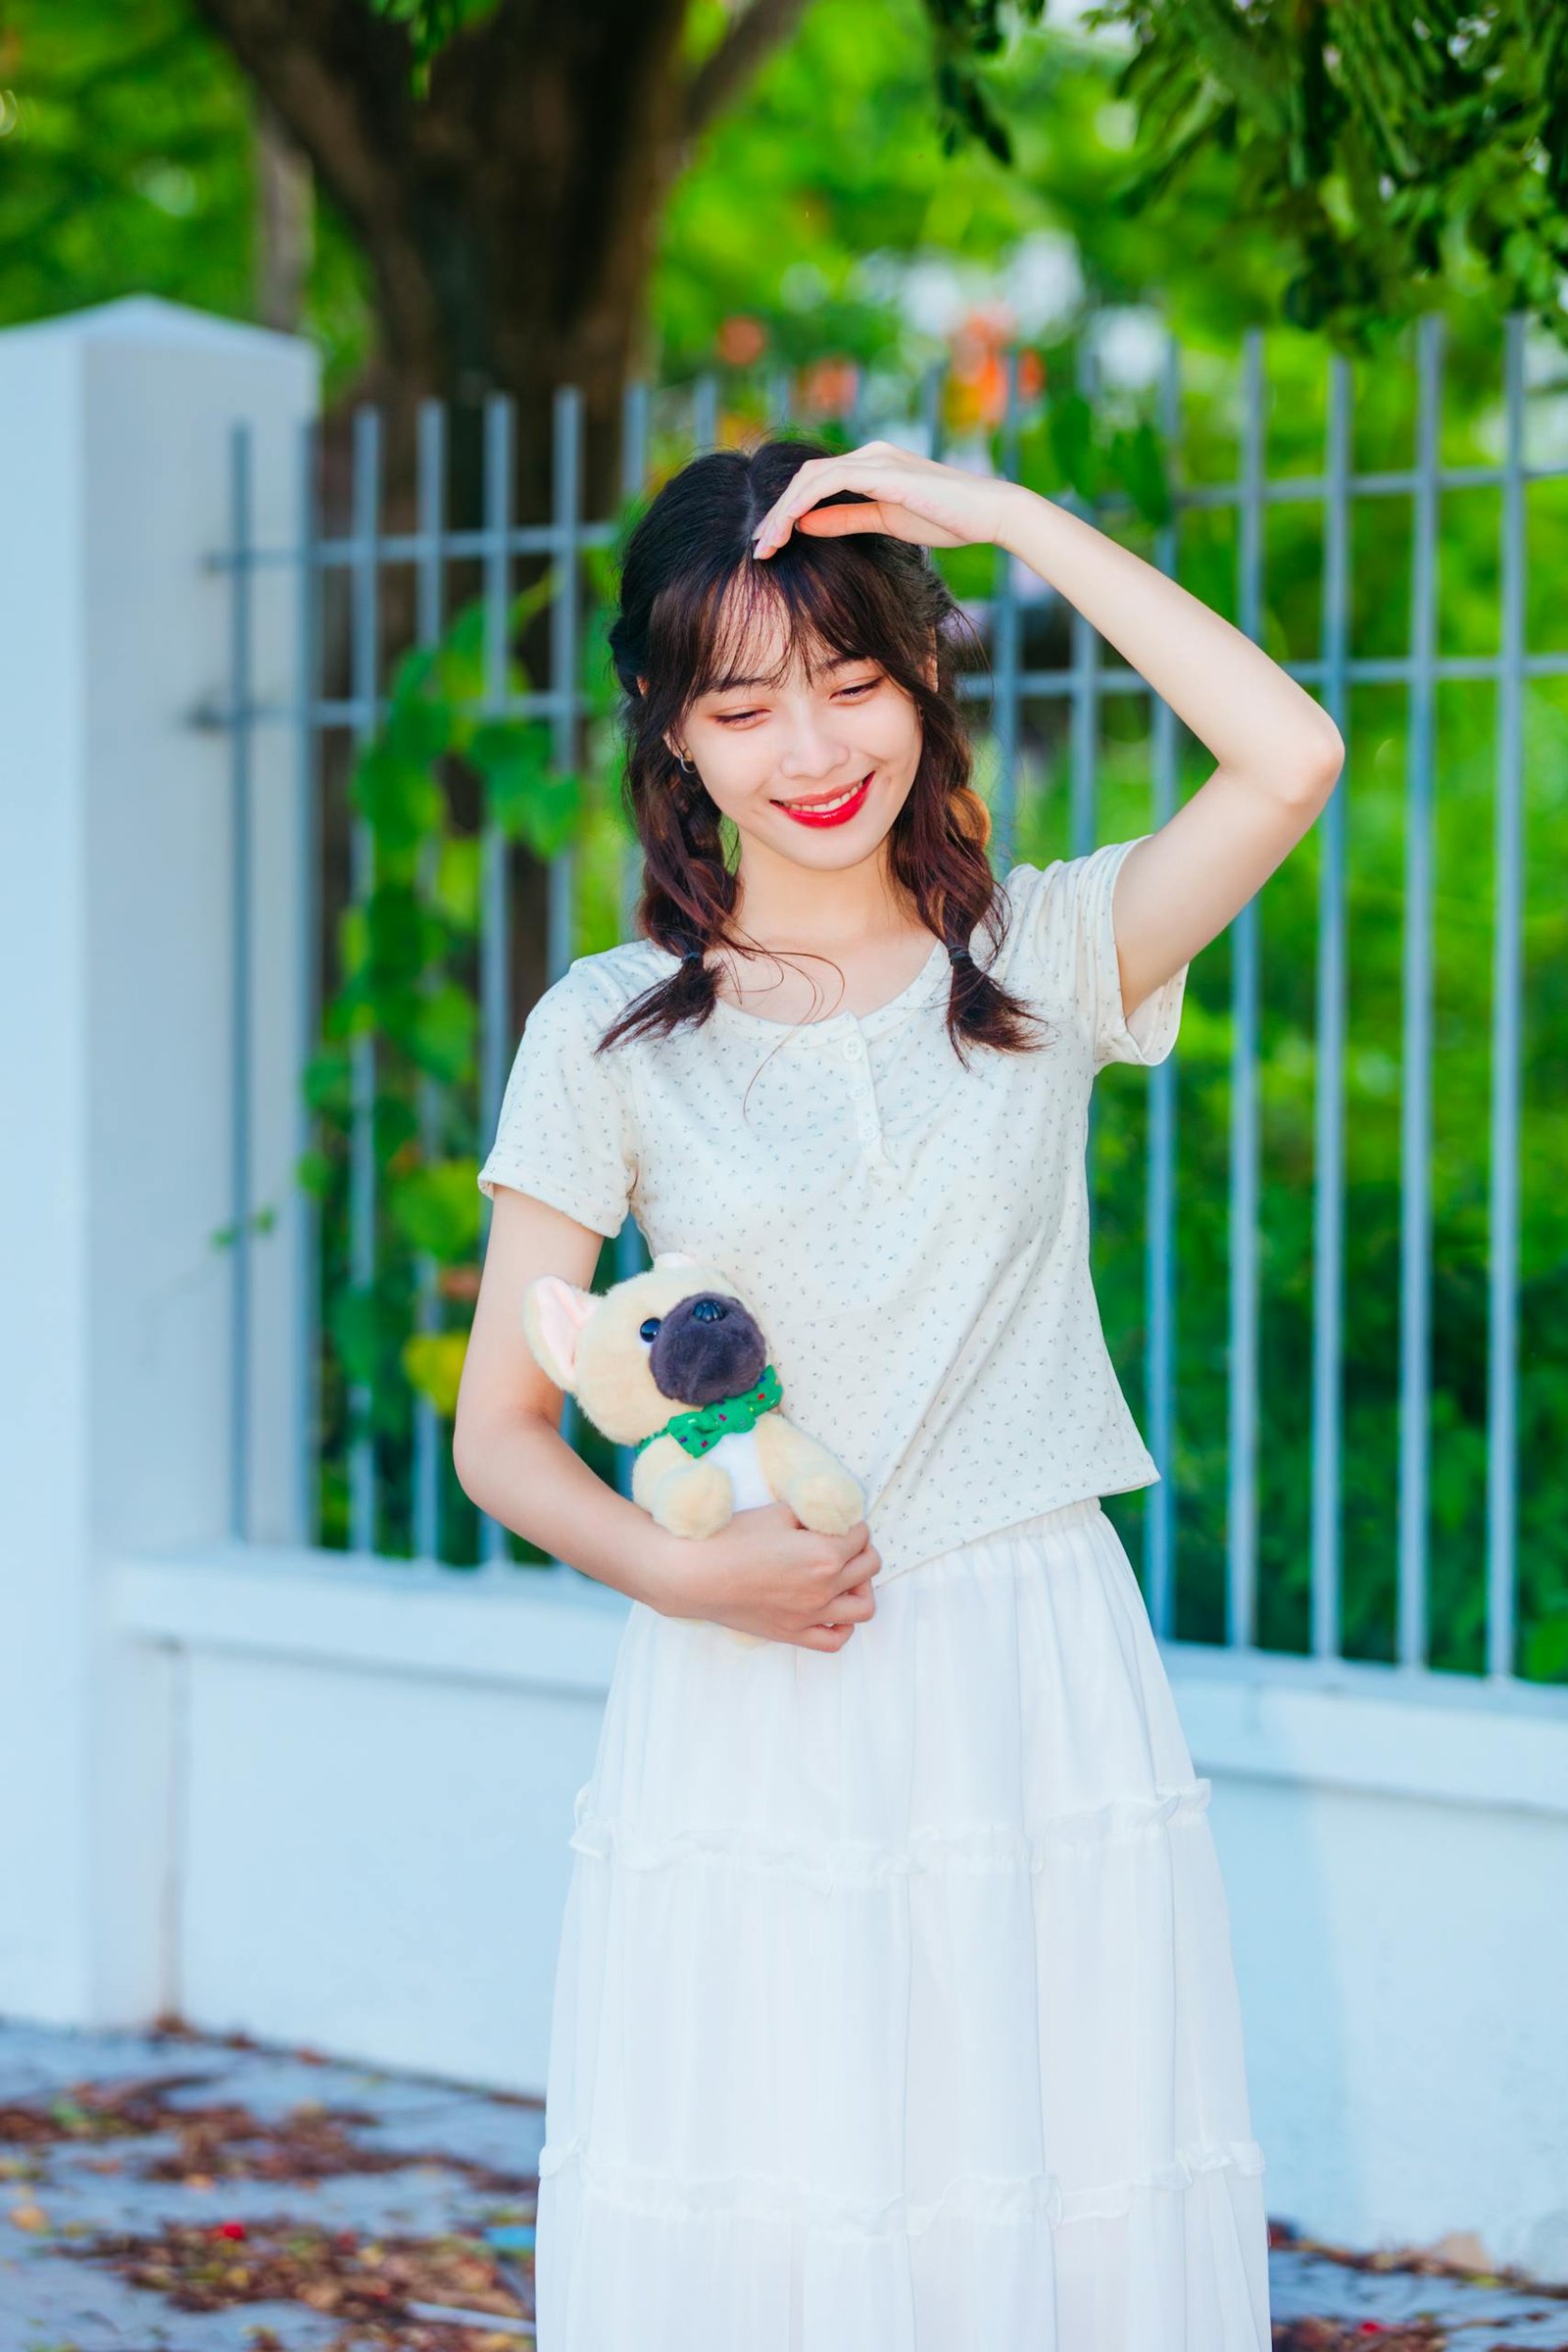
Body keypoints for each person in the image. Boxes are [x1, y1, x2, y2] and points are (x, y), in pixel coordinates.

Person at [453, 434, 1343, 2351]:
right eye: (744, 700)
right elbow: (499, 1430)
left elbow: (1288, 759)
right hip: (752, 1680)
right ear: (670, 734)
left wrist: (1003, 521)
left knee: (1044, 2178)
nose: (811, 743)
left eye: (854, 678)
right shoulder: (607, 1030)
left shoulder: (1033, 959)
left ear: (926, 682)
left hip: (1029, 1663)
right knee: (784, 2193)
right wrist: (688, 1577)